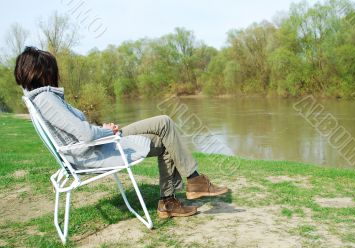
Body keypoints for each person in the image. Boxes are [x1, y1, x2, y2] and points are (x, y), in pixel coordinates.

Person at [14, 46, 228, 218]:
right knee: (164, 123)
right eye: (52, 69)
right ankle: (190, 184)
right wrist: (106, 132)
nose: (55, 74)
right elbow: (86, 136)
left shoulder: (40, 99)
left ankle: (173, 198)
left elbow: (81, 132)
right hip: (96, 151)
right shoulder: (47, 99)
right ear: (44, 71)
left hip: (99, 145)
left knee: (165, 134)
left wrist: (103, 129)